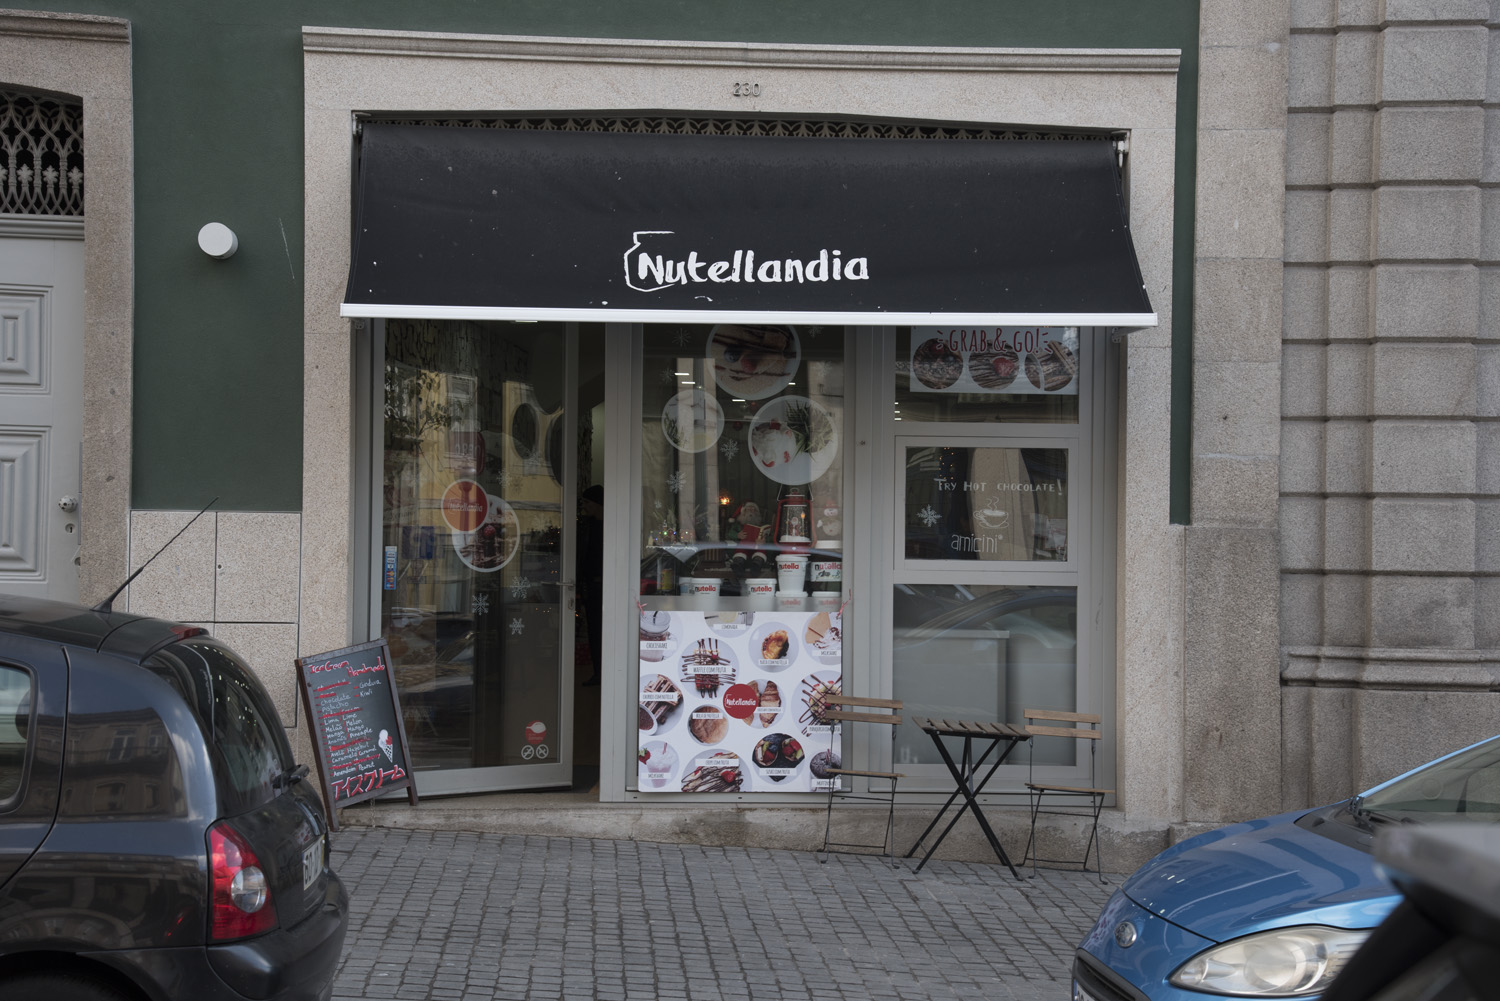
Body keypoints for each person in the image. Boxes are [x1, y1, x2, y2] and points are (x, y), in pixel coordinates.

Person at [576, 485, 604, 685]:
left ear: (597, 503)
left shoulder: (611, 526)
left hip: (606, 586)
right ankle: (598, 673)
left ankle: (606, 673)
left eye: (587, 502)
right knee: (594, 631)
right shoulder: (586, 526)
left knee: (605, 631)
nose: (584, 506)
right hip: (591, 586)